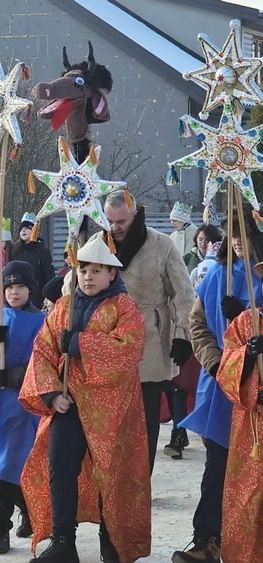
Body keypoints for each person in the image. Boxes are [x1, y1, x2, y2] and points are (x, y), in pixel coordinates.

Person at [18, 234, 151, 563]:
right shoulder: (64, 307)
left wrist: (78, 343)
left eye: (97, 270)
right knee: (59, 464)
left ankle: (114, 540)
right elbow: (43, 350)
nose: (89, 277)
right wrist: (51, 393)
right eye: (83, 270)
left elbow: (129, 348)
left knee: (113, 470)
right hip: (70, 403)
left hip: (113, 408)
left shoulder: (125, 307)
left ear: (111, 274)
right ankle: (63, 540)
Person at [172, 228, 263, 563]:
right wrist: (215, 363)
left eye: (247, 232)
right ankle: (207, 541)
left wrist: (247, 316)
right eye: (234, 232)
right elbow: (198, 325)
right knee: (217, 469)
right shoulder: (217, 277)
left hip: (257, 395)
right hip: (223, 390)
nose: (239, 240)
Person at [105, 194, 194, 474]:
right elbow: (78, 284)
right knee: (112, 424)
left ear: (135, 215)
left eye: (121, 221)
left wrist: (183, 335)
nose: (115, 227)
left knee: (145, 425)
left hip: (150, 347)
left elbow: (183, 293)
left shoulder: (161, 245)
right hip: (108, 345)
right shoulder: (99, 243)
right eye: (109, 221)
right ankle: (114, 485)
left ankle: (141, 484)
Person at [0, 260, 45, 554]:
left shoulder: (41, 322)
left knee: (11, 462)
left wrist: (16, 375)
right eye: (9, 287)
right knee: (4, 462)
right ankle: (28, 511)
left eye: (19, 286)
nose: (13, 292)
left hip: (26, 402)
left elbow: (44, 362)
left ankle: (0, 527)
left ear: (30, 289)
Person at [212, 298, 263, 563]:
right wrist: (248, 354)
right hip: (252, 424)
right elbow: (226, 367)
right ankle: (246, 562)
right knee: (248, 491)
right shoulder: (247, 322)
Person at [10, 212, 56, 308]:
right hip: (18, 296)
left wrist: (48, 296)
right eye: (22, 229)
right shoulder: (15, 251)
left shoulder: (43, 251)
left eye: (27, 228)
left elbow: (49, 276)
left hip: (37, 299)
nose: (24, 231)